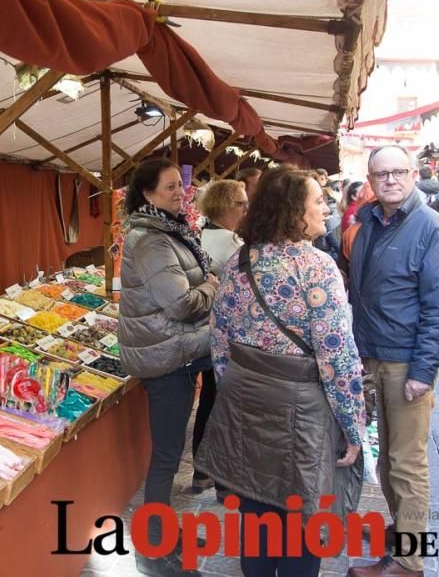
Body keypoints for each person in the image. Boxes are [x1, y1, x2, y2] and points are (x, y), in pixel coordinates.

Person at [196, 168, 364, 577]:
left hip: (244, 397)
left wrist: (238, 386)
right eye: (317, 201)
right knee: (303, 516)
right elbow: (337, 355)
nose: (326, 207)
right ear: (293, 212)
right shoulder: (316, 267)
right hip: (301, 407)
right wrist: (353, 425)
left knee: (254, 506)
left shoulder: (240, 260)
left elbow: (220, 342)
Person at [347, 145, 439, 577]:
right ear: (371, 180)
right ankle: (401, 532)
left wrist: (423, 371)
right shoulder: (370, 222)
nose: (390, 180)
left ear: (413, 174)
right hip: (372, 356)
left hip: (405, 362)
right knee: (386, 459)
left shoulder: (431, 228)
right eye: (381, 174)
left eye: (397, 172)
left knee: (407, 463)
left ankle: (408, 562)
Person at [118, 158, 218, 577]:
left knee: (170, 454)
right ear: (147, 193)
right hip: (166, 359)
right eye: (170, 187)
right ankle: (153, 548)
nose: (181, 192)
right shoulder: (151, 241)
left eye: (181, 185)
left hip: (179, 352)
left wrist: (205, 281)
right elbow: (180, 303)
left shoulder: (170, 231)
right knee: (165, 458)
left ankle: (162, 531)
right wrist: (212, 285)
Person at [190, 180, 247, 494]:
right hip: (228, 334)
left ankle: (201, 470)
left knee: (209, 402)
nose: (245, 209)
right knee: (224, 406)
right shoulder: (234, 243)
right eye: (241, 203)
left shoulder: (199, 236)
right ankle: (222, 480)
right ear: (226, 206)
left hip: (203, 331)